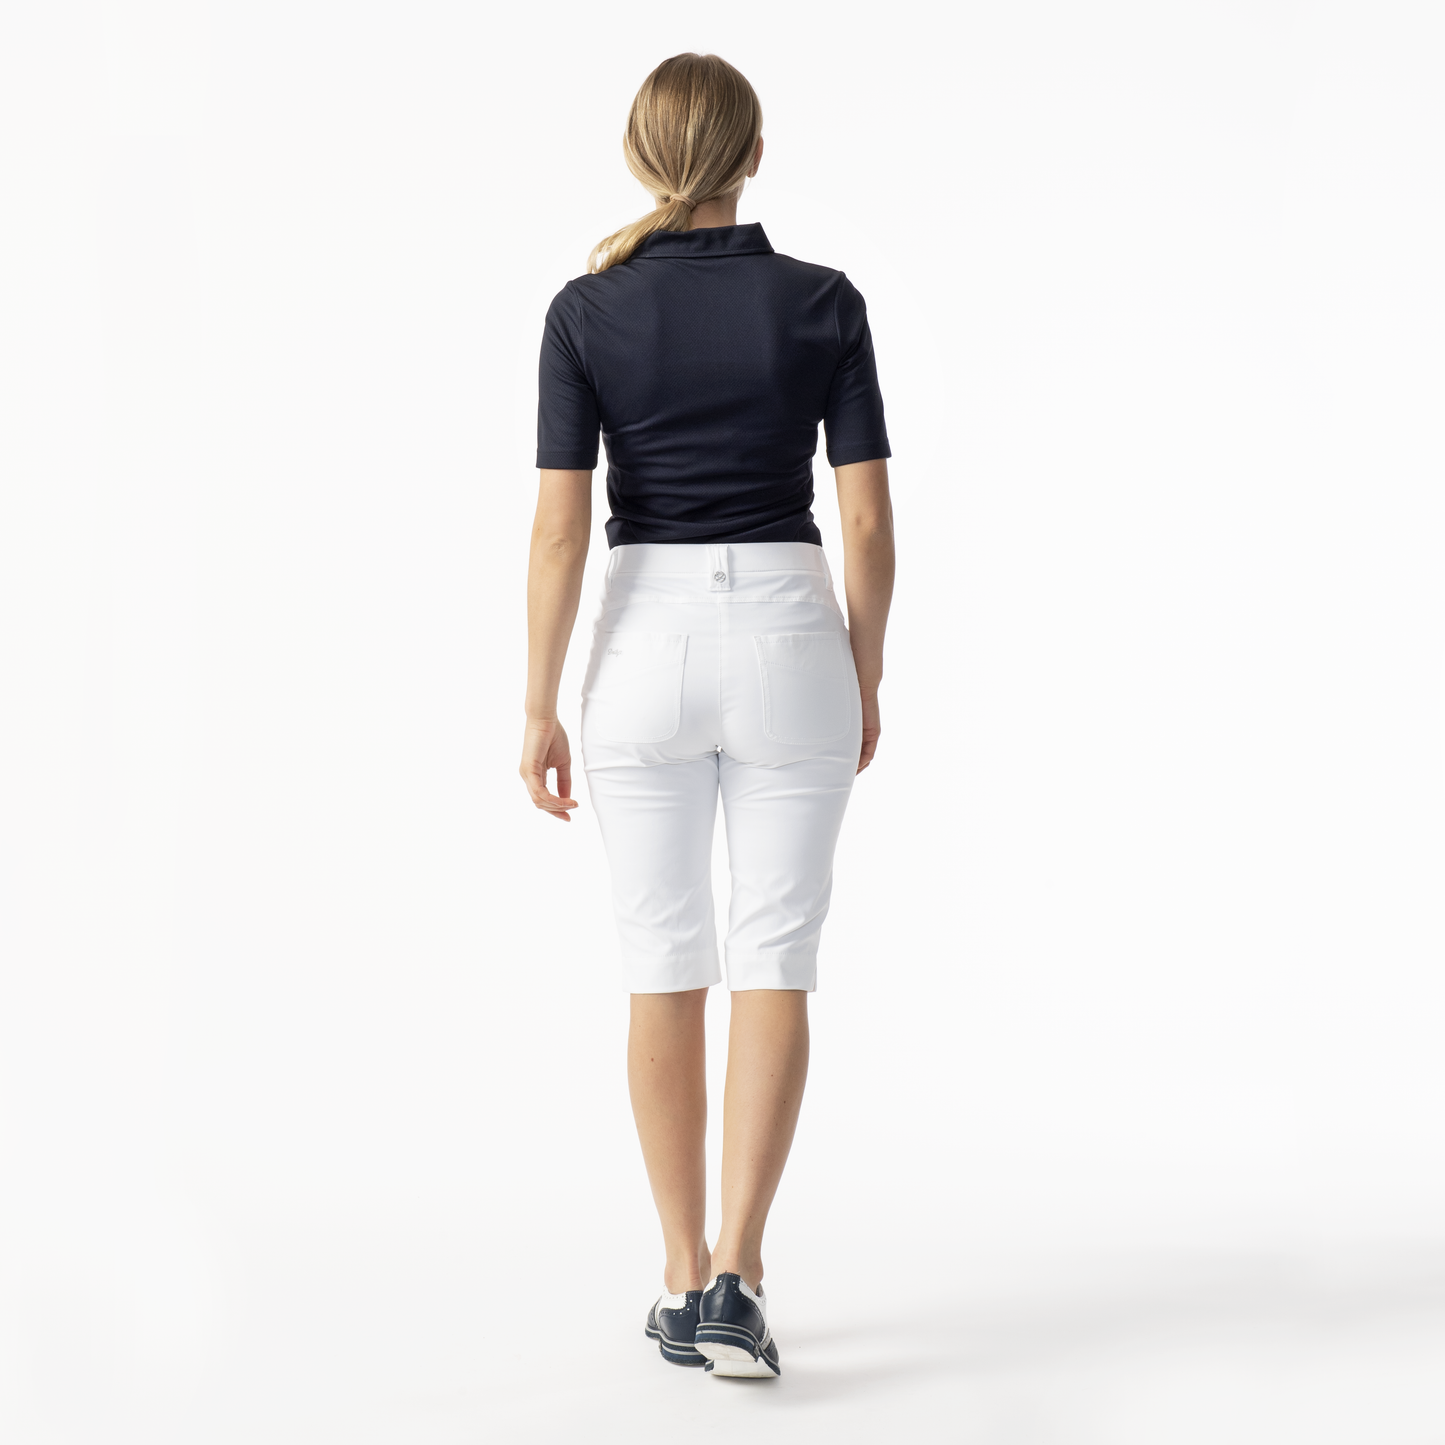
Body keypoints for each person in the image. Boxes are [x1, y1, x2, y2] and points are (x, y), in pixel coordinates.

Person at [519, 52, 894, 1379]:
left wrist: (538, 703)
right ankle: (740, 1273)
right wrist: (865, 670)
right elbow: (864, 519)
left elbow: (561, 531)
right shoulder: (824, 302)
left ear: (640, 155)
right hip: (792, 631)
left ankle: (680, 1276)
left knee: (662, 959)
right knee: (775, 955)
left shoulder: (586, 311)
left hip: (643, 642)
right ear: (754, 153)